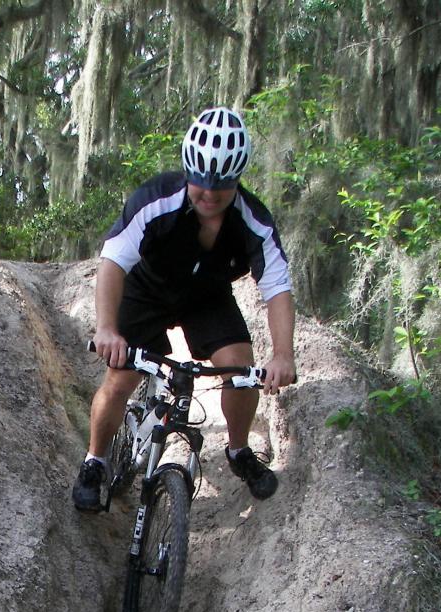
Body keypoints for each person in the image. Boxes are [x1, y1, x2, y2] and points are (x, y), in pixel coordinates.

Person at [72, 106, 297, 512]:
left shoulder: (253, 220)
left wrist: (283, 354)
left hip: (207, 298)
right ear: (188, 173)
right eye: (201, 186)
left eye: (221, 188)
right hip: (147, 289)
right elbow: (112, 262)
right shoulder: (156, 199)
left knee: (241, 370)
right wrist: (108, 329)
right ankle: (95, 461)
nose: (209, 195)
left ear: (237, 182)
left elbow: (278, 288)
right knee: (120, 379)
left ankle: (238, 450)